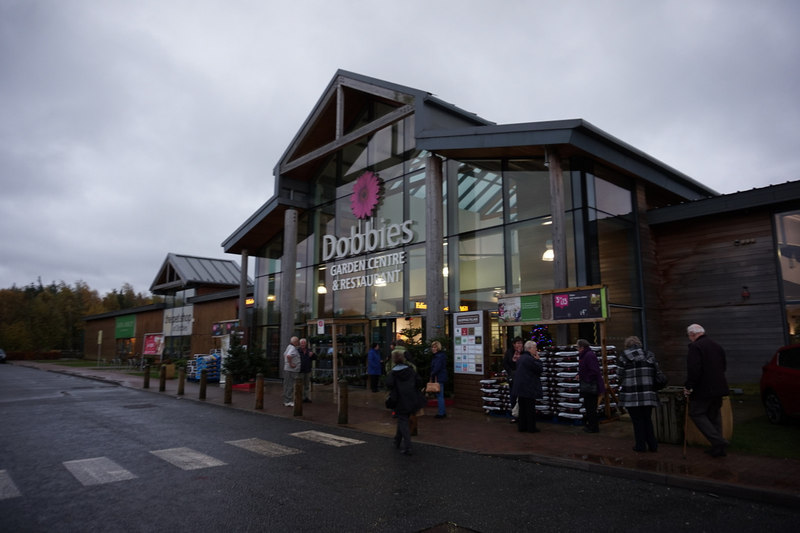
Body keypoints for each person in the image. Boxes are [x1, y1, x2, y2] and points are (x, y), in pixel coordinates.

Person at [684, 323, 730, 457]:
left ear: (692, 334)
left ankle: (719, 441)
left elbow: (694, 369)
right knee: (714, 415)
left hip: (703, 388)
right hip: (719, 386)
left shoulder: (695, 347)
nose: (689, 339)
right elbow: (723, 366)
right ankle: (718, 449)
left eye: (689, 336)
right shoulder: (716, 345)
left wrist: (688, 386)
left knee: (696, 413)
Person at [618, 336, 659, 452]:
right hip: (648, 393)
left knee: (637, 421)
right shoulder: (649, 355)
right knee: (647, 419)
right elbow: (657, 372)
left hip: (632, 394)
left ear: (627, 345)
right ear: (639, 344)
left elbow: (619, 374)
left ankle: (640, 445)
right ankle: (653, 444)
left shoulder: (624, 356)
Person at [385, 349, 424, 455]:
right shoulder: (410, 370)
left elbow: (389, 384)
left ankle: (408, 446)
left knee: (402, 420)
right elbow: (419, 381)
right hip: (412, 399)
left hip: (400, 400)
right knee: (403, 419)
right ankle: (397, 441)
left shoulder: (393, 373)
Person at [512, 340, 544, 433]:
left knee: (522, 408)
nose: (536, 350)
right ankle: (531, 427)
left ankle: (522, 426)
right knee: (530, 408)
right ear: (529, 349)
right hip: (528, 387)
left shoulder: (521, 358)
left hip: (520, 387)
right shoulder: (530, 359)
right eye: (535, 348)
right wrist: (538, 360)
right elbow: (539, 369)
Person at [577, 339, 606, 433]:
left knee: (591, 407)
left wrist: (585, 378)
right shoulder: (586, 355)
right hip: (589, 385)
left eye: (578, 347)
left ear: (582, 347)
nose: (577, 349)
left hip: (590, 386)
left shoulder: (588, 356)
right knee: (589, 406)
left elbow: (594, 371)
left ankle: (593, 427)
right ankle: (591, 425)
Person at [503, 336, 524, 423]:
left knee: (523, 397)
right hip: (513, 378)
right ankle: (515, 415)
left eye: (521, 343)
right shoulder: (509, 352)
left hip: (523, 377)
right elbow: (505, 363)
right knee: (513, 396)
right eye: (518, 343)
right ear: (514, 344)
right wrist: (511, 372)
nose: (519, 345)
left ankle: (523, 415)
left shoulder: (525, 352)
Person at [429, 341, 448, 419]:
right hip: (440, 377)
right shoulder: (440, 356)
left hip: (438, 377)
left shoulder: (438, 357)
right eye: (432, 347)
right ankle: (442, 412)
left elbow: (437, 367)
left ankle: (441, 413)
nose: (433, 349)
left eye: (435, 347)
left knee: (439, 396)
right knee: (440, 395)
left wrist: (432, 374)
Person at [282, 336, 301, 407]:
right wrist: (291, 364)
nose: (298, 343)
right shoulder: (292, 348)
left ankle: (287, 400)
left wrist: (287, 363)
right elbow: (288, 356)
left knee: (287, 384)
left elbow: (285, 355)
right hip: (291, 370)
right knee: (290, 385)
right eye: (297, 341)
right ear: (295, 342)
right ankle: (288, 401)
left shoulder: (289, 347)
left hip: (288, 369)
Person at [298, 338, 316, 403]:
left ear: (306, 344)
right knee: (300, 384)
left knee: (307, 385)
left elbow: (315, 358)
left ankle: (306, 397)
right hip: (300, 370)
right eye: (301, 343)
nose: (303, 344)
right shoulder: (297, 351)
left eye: (304, 343)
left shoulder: (309, 350)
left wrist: (313, 355)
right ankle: (300, 397)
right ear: (299, 344)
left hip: (307, 370)